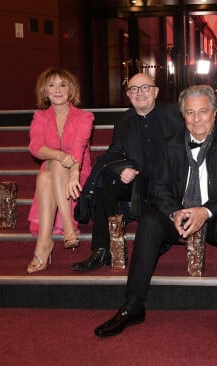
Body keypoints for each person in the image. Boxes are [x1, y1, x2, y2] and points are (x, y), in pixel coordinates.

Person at [94, 85, 217, 347]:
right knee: (150, 220)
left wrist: (206, 211)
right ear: (183, 117)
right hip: (180, 215)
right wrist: (173, 211)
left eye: (203, 111)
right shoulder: (170, 145)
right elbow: (158, 187)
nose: (197, 119)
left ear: (214, 113)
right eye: (190, 113)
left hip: (214, 216)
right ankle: (133, 304)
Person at [71, 73, 184, 271]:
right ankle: (102, 250)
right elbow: (114, 152)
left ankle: (155, 239)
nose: (139, 93)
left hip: (170, 183)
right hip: (138, 184)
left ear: (156, 91)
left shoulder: (175, 113)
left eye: (145, 87)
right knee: (106, 183)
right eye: (133, 89)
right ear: (128, 95)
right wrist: (121, 169)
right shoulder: (124, 121)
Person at [26, 68, 94, 274]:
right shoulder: (40, 117)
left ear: (71, 90)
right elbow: (35, 147)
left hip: (79, 171)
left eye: (63, 85)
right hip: (53, 170)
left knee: (49, 170)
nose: (57, 90)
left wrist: (73, 169)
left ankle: (44, 245)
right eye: (52, 85)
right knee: (51, 166)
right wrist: (59, 156)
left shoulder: (84, 117)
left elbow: (78, 148)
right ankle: (64, 228)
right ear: (45, 91)